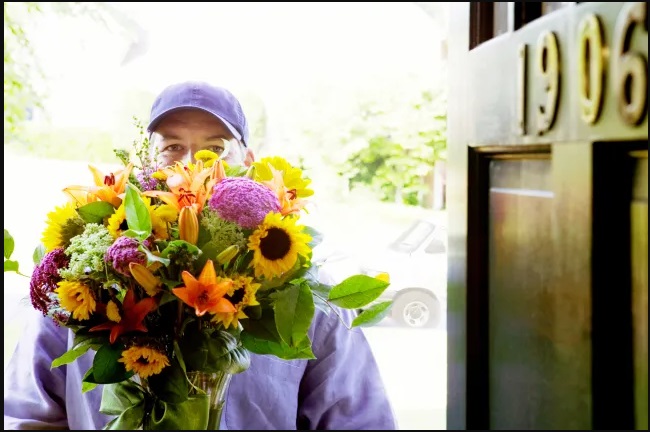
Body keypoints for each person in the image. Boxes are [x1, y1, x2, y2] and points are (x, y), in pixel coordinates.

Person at [4, 81, 398, 430]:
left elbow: (360, 420)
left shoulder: (303, 295)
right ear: (143, 166)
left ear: (249, 163)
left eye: (216, 148)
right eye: (172, 148)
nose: (193, 165)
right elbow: (27, 416)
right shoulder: (79, 289)